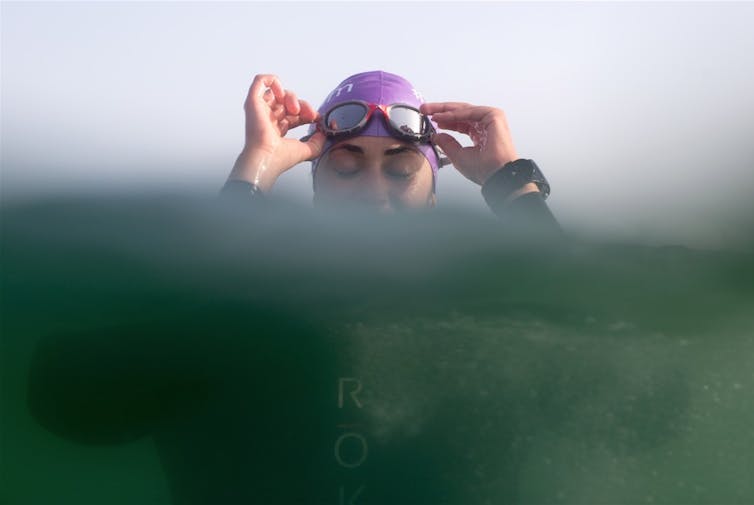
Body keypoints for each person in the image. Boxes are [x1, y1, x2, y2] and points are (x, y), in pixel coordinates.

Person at [221, 71, 560, 232]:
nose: (373, 193)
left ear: (432, 195)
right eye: (344, 167)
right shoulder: (272, 291)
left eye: (400, 172)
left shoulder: (475, 298)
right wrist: (258, 160)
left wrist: (507, 179)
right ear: (315, 187)